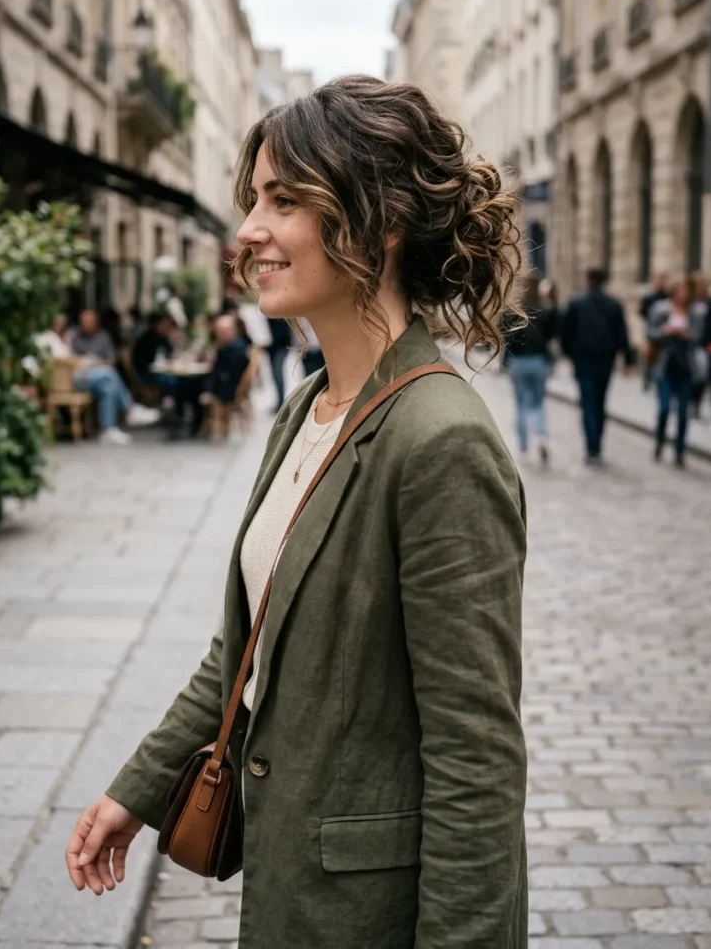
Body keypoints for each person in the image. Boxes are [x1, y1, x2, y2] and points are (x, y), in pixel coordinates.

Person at [65, 75, 528, 949]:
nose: (247, 231)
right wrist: (135, 792)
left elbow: (476, 759)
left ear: (379, 220)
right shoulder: (307, 407)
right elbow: (240, 654)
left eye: (284, 200)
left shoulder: (438, 442)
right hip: (290, 892)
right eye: (252, 200)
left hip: (371, 918)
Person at [36, 314, 159, 446]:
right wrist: (82, 361)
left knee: (108, 386)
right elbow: (62, 362)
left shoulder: (61, 338)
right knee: (108, 374)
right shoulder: (49, 339)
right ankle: (130, 410)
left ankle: (108, 429)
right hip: (66, 381)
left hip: (76, 375)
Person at [561, 266, 633, 464]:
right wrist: (628, 359)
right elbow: (622, 334)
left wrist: (569, 353)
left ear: (589, 280)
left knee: (588, 403)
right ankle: (597, 444)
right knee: (600, 402)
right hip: (605, 360)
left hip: (583, 360)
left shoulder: (576, 303)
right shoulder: (613, 304)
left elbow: (567, 333)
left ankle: (592, 446)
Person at [503, 272, 558, 464]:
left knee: (520, 405)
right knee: (538, 403)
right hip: (539, 361)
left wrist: (504, 362)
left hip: (518, 362)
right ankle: (541, 436)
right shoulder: (546, 310)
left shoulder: (512, 312)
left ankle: (524, 448)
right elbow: (552, 336)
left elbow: (506, 340)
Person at [648, 277, 697, 467]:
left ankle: (679, 451)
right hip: (666, 365)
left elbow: (702, 335)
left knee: (683, 413)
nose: (683, 295)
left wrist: (688, 334)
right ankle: (660, 442)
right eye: (680, 291)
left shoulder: (693, 313)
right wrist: (665, 332)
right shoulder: (661, 309)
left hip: (686, 366)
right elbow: (651, 333)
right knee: (664, 408)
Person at [689, 274, 711, 420]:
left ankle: (696, 403)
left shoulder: (710, 304)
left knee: (702, 376)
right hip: (689, 345)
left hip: (704, 345)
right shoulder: (689, 303)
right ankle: (690, 402)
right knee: (692, 376)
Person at [266, 316, 292, 411]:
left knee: (278, 373)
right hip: (271, 347)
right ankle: (280, 400)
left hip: (281, 345)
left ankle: (281, 401)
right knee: (275, 374)